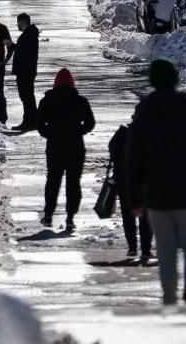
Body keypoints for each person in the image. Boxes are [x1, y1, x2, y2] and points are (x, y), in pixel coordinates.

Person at [128, 58, 186, 305]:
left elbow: (132, 161)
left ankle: (169, 295)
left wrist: (135, 198)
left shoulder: (143, 119)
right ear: (175, 80)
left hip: (157, 195)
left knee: (165, 247)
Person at [36, 68, 95, 230]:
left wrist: (50, 134)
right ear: (72, 83)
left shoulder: (47, 101)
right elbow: (90, 123)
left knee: (53, 180)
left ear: (55, 83)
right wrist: (77, 131)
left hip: (55, 146)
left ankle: (48, 215)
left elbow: (39, 124)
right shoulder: (81, 101)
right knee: (73, 182)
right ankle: (70, 217)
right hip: (75, 146)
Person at [109, 123, 153, 261]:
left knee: (128, 213)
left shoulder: (123, 132)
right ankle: (145, 249)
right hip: (146, 179)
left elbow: (112, 151)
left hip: (124, 179)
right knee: (146, 215)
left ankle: (132, 247)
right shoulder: (150, 134)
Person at [10, 13, 40, 131]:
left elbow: (23, 52)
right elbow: (21, 49)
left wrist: (12, 46)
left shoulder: (28, 36)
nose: (18, 25)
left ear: (23, 22)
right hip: (27, 70)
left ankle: (28, 122)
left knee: (26, 97)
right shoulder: (29, 35)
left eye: (19, 22)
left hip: (25, 71)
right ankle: (33, 121)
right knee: (28, 97)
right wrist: (12, 46)